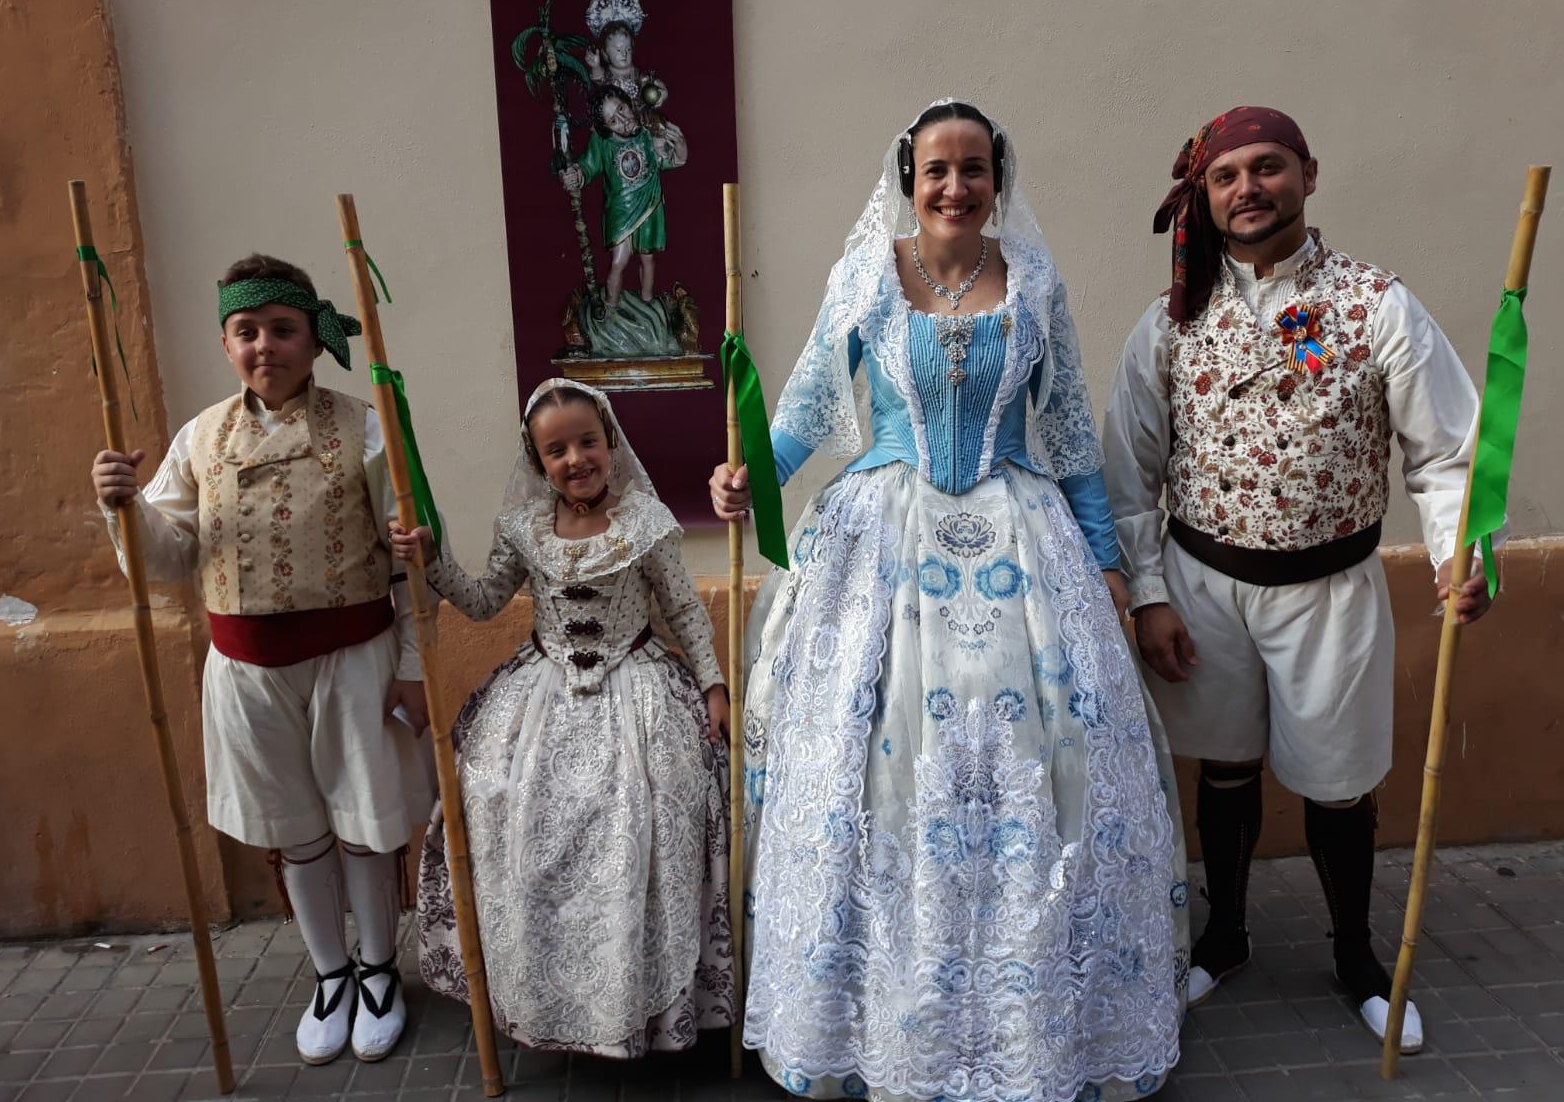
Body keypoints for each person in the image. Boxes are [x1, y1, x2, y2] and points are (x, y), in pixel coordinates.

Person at [709, 100, 1187, 1102]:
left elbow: (1064, 435)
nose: (954, 187)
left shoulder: (1036, 280)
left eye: (972, 169)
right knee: (880, 771)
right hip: (881, 541)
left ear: (996, 180)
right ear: (908, 178)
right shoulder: (868, 275)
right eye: (936, 169)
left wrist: (1107, 562)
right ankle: (880, 1014)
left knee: (1040, 762)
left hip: (1022, 541)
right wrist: (750, 473)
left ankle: (1037, 1016)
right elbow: (804, 405)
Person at [1103, 106, 1497, 1053]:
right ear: (1206, 194)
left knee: (1339, 782)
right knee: (1226, 765)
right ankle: (1226, 937)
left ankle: (1359, 957)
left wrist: (1459, 551)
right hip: (1203, 585)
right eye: (1227, 174)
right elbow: (1130, 470)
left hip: (1333, 590)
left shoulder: (1376, 304)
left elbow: (1446, 454)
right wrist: (1149, 592)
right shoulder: (1172, 321)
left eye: (1267, 167)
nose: (1249, 188)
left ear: (1309, 175)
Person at [89, 253, 433, 1066]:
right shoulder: (199, 437)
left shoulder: (366, 423)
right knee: (295, 831)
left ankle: (380, 970)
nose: (264, 346)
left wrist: (414, 665)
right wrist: (124, 507)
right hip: (245, 673)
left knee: (365, 825)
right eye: (246, 331)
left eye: (282, 329)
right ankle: (330, 974)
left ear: (314, 340)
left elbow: (410, 555)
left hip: (355, 660)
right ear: (226, 342)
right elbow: (168, 556)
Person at [397, 378, 733, 1057]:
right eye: (556, 450)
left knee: (656, 802)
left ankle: (637, 999)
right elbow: (487, 599)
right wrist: (433, 563)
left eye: (586, 442)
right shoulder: (522, 528)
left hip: (636, 688)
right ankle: (542, 990)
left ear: (610, 443)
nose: (575, 459)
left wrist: (714, 684)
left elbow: (684, 612)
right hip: (541, 693)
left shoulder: (647, 522)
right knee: (495, 791)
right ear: (537, 460)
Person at [561, 86, 688, 310]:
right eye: (613, 121)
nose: (622, 119)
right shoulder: (602, 142)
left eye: (622, 109)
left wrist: (679, 145)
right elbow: (587, 166)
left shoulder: (648, 133)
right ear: (606, 128)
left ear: (629, 103)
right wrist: (575, 175)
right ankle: (610, 306)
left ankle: (648, 303)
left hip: (649, 205)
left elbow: (671, 160)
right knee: (619, 261)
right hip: (620, 211)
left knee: (647, 259)